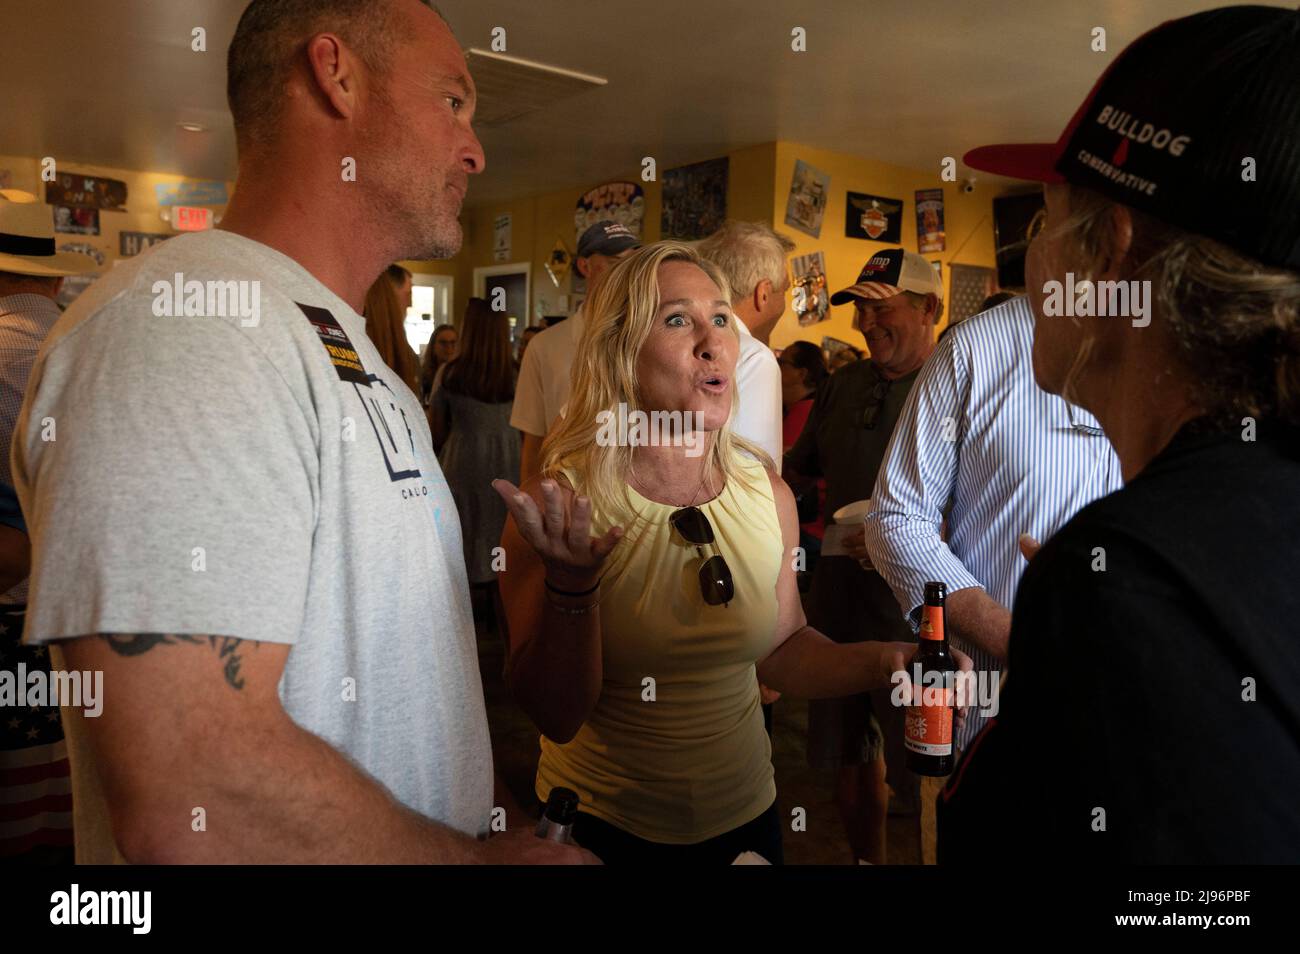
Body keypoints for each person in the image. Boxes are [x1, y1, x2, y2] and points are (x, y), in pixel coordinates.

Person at [11, 0, 591, 864]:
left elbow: (417, 715)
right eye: (453, 102)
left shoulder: (351, 355)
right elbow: (190, 792)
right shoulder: (181, 325)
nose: (476, 149)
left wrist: (500, 823)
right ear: (337, 74)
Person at [942, 3, 1300, 863]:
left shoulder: (1136, 580)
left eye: (1042, 224)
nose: (1031, 264)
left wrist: (1113, 616)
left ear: (1110, 256)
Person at [492, 242, 969, 865]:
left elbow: (781, 650)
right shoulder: (562, 506)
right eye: (676, 319)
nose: (712, 341)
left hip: (746, 822)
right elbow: (555, 715)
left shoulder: (764, 490)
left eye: (721, 319)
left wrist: (891, 661)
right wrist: (572, 591)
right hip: (604, 831)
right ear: (620, 346)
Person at [863, 293, 1121, 862]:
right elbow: (895, 518)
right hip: (992, 713)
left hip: (1137, 720)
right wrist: (1018, 636)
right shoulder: (978, 350)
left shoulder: (1187, 342)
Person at [784, 248, 944, 864]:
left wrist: (916, 538)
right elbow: (802, 471)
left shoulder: (954, 388)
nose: (865, 324)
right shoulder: (845, 385)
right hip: (839, 593)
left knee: (926, 762)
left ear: (929, 307)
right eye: (860, 310)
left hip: (917, 604)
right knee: (848, 755)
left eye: (882, 309)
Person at [0, 191, 96, 862]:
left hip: (10, 605)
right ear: (56, 276)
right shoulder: (89, 343)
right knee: (69, 802)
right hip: (87, 614)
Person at [511, 220, 639, 482]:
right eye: (616, 262)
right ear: (585, 266)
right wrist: (526, 508)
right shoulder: (544, 346)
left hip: (635, 497)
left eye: (633, 263)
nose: (626, 272)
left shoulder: (647, 339)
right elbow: (533, 441)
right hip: (566, 493)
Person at [430, 297, 519, 595]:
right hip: (508, 464)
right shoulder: (517, 372)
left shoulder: (451, 372)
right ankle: (500, 607)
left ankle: (466, 609)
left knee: (464, 536)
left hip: (463, 462)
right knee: (500, 534)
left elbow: (436, 429)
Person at [697, 221, 795, 465]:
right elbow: (756, 478)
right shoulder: (754, 357)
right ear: (763, 293)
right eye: (784, 291)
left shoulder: (671, 340)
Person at [778, 340, 828, 576]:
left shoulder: (805, 411)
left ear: (801, 373)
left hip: (807, 529)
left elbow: (784, 469)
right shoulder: (798, 409)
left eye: (782, 362)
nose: (776, 366)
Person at [364, 269, 421, 394]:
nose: (410, 303)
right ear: (388, 293)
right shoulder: (371, 341)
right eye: (408, 294)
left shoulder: (400, 345)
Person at [420, 323, 458, 403]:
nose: (449, 347)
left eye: (453, 342)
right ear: (433, 347)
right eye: (443, 343)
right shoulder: (424, 375)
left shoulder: (465, 376)